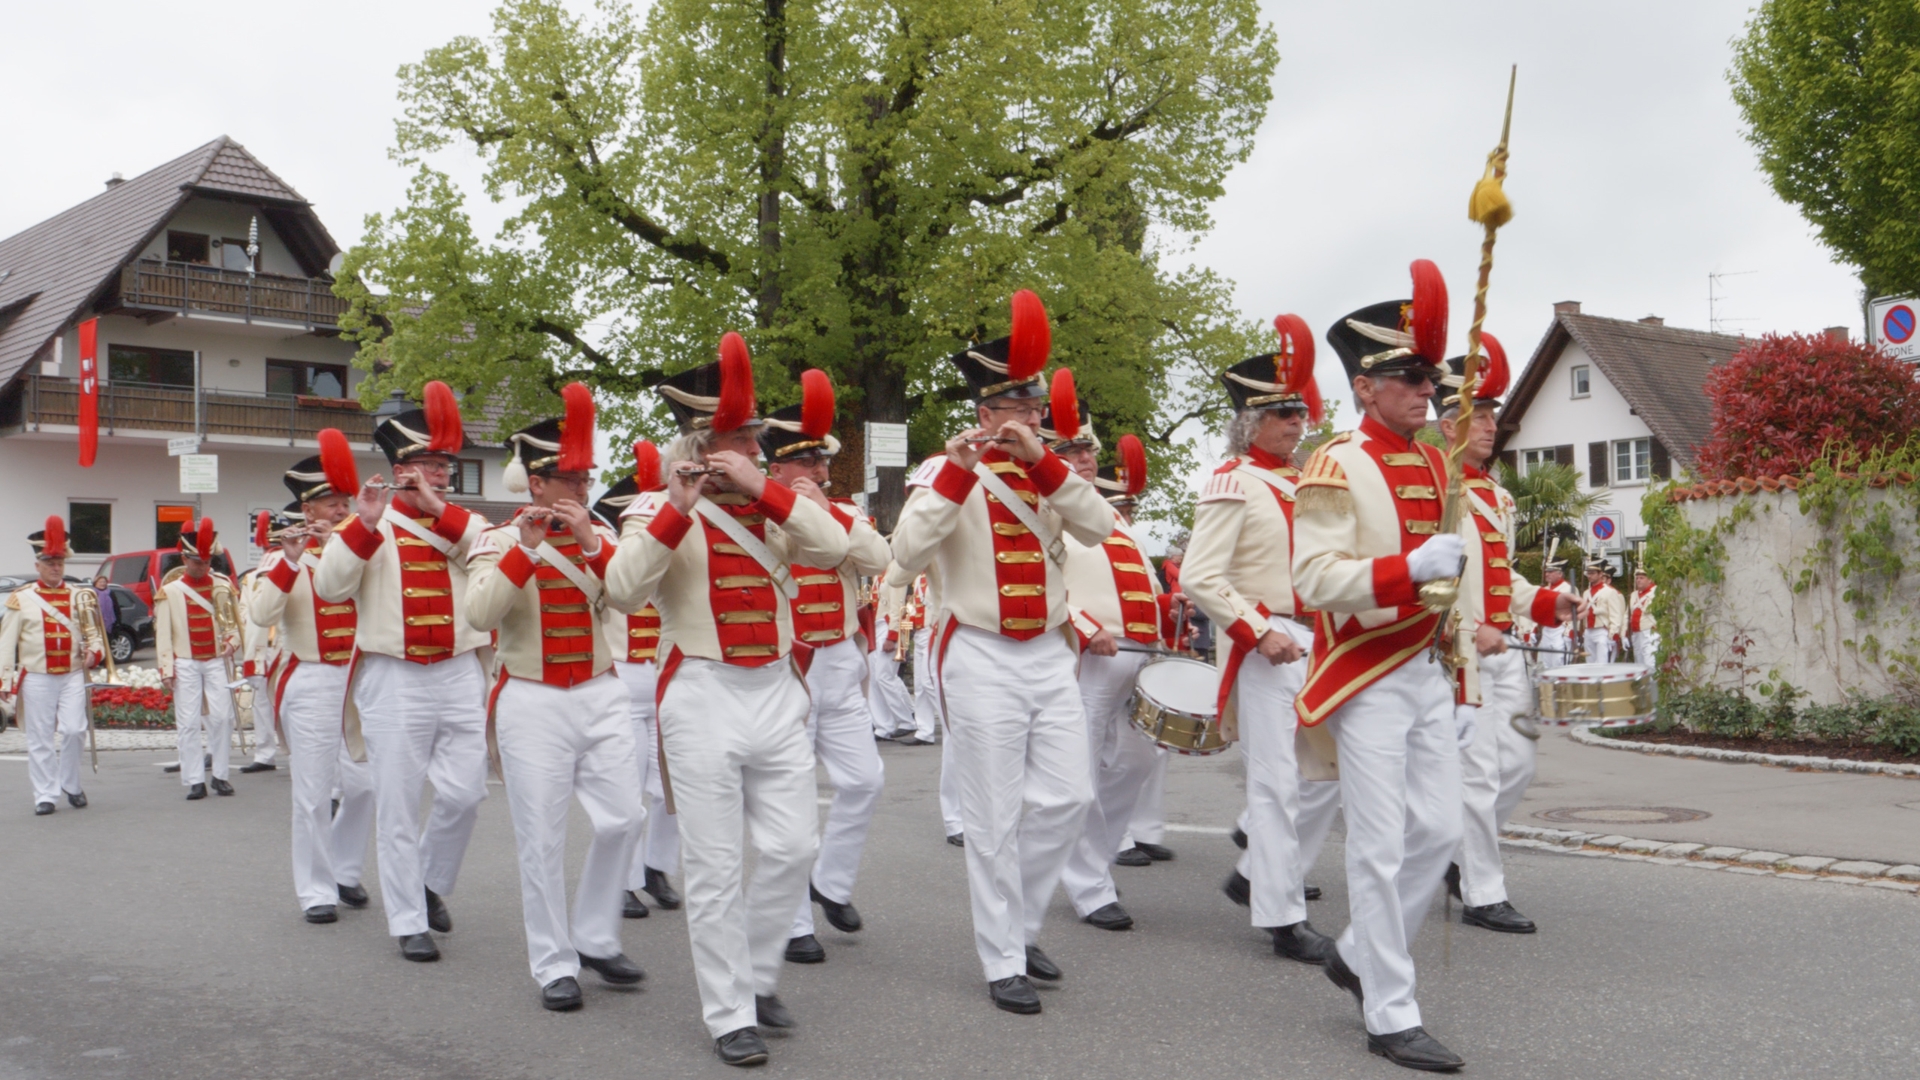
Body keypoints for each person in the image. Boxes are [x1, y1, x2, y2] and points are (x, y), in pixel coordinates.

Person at [604, 337, 848, 1067]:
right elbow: (621, 591)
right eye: (741, 438)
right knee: (712, 866)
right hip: (702, 693)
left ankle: (756, 972)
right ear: (703, 443)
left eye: (753, 440)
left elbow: (836, 550)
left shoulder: (777, 505)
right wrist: (679, 507)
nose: (753, 447)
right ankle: (729, 1012)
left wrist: (768, 487)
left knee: (794, 846)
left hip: (776, 688)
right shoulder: (657, 507)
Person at [889, 291, 1113, 1016]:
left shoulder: (1049, 470)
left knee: (1069, 797)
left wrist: (1045, 463)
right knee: (992, 813)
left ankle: (1018, 924)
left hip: (1047, 649)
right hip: (978, 650)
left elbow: (1098, 526)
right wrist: (957, 471)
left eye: (1037, 405)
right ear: (986, 412)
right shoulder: (944, 471)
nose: (1033, 415)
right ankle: (1003, 958)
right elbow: (905, 552)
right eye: (1018, 405)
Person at [1292, 261, 1468, 1070]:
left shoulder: (1438, 463)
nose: (1423, 388)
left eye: (1426, 374)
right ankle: (1390, 1011)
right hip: (1364, 673)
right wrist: (1406, 568)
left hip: (1425, 668)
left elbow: (1458, 572)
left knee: (1439, 828)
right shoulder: (1332, 463)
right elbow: (1313, 580)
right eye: (1405, 376)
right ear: (1364, 387)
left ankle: (1359, 951)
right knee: (1380, 845)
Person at [468, 384, 645, 1012]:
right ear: (536, 483)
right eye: (567, 478)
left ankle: (595, 934)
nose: (580, 488)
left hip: (598, 691)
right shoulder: (496, 540)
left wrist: (593, 544)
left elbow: (628, 599)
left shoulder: (598, 536)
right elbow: (481, 611)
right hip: (532, 700)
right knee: (540, 838)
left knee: (626, 817)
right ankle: (553, 964)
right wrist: (529, 548)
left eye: (584, 477)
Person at [313, 382, 492, 964]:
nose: (440, 476)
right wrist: (363, 523)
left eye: (445, 466)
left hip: (460, 669)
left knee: (466, 794)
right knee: (396, 800)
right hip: (396, 676)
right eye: (428, 465)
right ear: (400, 469)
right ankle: (408, 920)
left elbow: (491, 553)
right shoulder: (369, 525)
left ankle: (429, 879)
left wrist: (443, 512)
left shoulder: (462, 524)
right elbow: (331, 587)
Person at [1182, 323, 1343, 965]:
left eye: (1300, 410)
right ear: (1250, 421)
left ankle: (1255, 872)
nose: (1297, 422)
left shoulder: (1303, 479)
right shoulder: (1233, 482)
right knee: (1277, 784)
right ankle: (1281, 918)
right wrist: (1256, 628)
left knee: (1325, 775)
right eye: (1283, 412)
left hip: (1317, 640)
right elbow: (1199, 574)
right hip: (1268, 642)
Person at [1431, 340, 1574, 937]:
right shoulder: (1436, 490)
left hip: (1503, 647)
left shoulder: (1496, 495)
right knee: (1479, 774)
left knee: (1517, 765)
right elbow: (1430, 584)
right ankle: (1481, 891)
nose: (1492, 425)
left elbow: (1500, 575)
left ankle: (1458, 854)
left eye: (1493, 415)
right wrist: (1467, 629)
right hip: (1457, 652)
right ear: (1448, 424)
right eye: (1480, 415)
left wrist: (1545, 601)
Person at [758, 380, 894, 965]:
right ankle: (790, 925)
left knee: (864, 780)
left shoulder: (840, 512)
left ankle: (830, 883)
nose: (821, 468)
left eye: (822, 459)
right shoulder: (758, 510)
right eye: (808, 460)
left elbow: (879, 560)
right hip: (788, 664)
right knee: (787, 800)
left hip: (838, 658)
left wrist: (824, 511)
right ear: (780, 468)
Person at [1054, 413, 1172, 933]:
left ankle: (1094, 863)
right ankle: (1088, 885)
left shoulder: (1111, 515)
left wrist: (1168, 617)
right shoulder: (1047, 507)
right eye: (1073, 451)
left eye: (1088, 451)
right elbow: (1038, 577)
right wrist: (1081, 625)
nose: (1086, 459)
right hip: (1091, 655)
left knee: (1136, 761)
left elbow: (1140, 583)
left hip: (1138, 653)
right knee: (1078, 774)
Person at [249, 462, 376, 924]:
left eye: (345, 502)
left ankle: (343, 869)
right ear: (308, 508)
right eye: (332, 503)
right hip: (313, 676)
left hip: (359, 677)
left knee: (364, 784)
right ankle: (316, 889)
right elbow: (261, 615)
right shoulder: (283, 555)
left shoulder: (357, 548)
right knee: (314, 790)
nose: (342, 510)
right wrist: (289, 560)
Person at [592, 462, 684, 921]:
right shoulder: (608, 547)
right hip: (624, 675)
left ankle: (657, 868)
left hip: (665, 671)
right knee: (627, 787)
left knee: (671, 786)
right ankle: (624, 881)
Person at [1, 518, 103, 814]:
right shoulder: (22, 598)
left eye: (59, 562)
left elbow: (94, 634)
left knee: (74, 729)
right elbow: (6, 644)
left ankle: (71, 784)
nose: (55, 567)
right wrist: (4, 681)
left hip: (72, 674)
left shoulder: (80, 595)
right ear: (38, 565)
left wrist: (93, 653)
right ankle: (45, 794)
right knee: (40, 737)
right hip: (36, 676)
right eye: (49, 562)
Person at [154, 519, 241, 801]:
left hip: (217, 660)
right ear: (185, 559)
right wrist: (167, 668)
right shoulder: (171, 591)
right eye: (197, 561)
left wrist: (233, 642)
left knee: (223, 717)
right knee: (189, 722)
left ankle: (220, 776)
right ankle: (194, 779)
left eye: (206, 561)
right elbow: (163, 634)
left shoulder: (223, 585)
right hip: (186, 662)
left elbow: (235, 623)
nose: (203, 566)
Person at [236, 545, 281, 776]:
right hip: (262, 646)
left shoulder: (299, 570)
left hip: (285, 646)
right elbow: (243, 608)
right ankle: (265, 755)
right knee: (262, 703)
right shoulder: (251, 578)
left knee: (290, 703)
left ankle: (299, 754)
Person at [866, 568, 915, 740]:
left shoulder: (896, 570)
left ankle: (906, 720)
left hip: (888, 625)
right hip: (877, 625)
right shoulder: (878, 573)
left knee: (884, 676)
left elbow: (897, 607)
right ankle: (883, 725)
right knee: (872, 677)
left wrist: (893, 635)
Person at [1579, 562, 1627, 663]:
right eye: (1588, 573)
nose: (1590, 576)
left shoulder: (1610, 592)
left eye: (1592, 573)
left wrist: (1614, 633)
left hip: (1602, 630)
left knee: (1603, 663)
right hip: (1588, 631)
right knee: (1590, 663)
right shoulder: (1586, 593)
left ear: (1600, 574)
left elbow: (1615, 615)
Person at [1536, 561, 1576, 664]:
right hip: (1547, 628)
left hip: (1561, 628)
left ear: (1560, 573)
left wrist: (1569, 631)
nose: (1547, 574)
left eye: (1550, 571)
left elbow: (1574, 612)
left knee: (1559, 659)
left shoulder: (1568, 588)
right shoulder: (1544, 589)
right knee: (1546, 661)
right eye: (1546, 571)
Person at [1630, 568, 1658, 664]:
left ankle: (1651, 680)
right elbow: (1628, 614)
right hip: (1636, 633)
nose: (1638, 580)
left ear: (1649, 579)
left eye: (1641, 578)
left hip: (1650, 632)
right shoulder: (1634, 594)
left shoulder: (1657, 592)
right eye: (1637, 578)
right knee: (1639, 662)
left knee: (1650, 662)